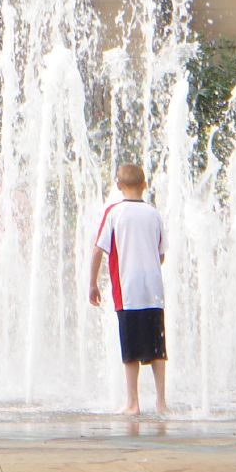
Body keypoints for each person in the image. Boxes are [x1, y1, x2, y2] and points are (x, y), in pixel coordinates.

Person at [87, 163, 168, 416]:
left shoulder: (114, 213)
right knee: (157, 349)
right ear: (144, 185)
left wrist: (92, 283)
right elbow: (161, 254)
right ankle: (161, 402)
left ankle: (133, 402)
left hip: (128, 289)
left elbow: (98, 250)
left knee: (130, 348)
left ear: (119, 186)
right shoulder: (154, 213)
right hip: (153, 289)